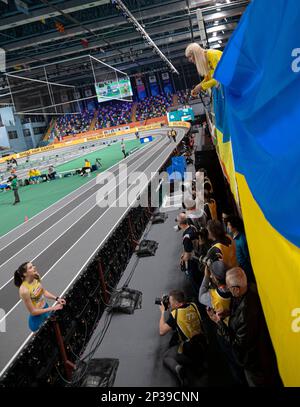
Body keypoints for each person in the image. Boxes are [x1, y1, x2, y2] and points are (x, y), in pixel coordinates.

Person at [207, 267, 280, 387]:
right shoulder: (251, 287)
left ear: (236, 289)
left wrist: (218, 322)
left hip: (253, 361)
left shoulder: (245, 315)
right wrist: (228, 313)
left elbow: (237, 344)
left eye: (229, 288)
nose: (228, 290)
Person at [159, 290, 206, 386]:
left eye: (171, 302)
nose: (170, 304)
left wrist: (163, 312)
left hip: (191, 349)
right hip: (203, 344)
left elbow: (162, 331)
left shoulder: (175, 314)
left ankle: (180, 370)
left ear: (177, 303)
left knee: (167, 357)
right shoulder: (193, 305)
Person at [14, 262, 65, 332]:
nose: (34, 267)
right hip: (37, 318)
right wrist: (53, 308)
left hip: (46, 309)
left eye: (33, 265)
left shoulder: (36, 277)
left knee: (55, 330)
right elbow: (33, 312)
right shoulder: (24, 290)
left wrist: (57, 298)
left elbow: (43, 291)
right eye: (30, 267)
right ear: (25, 274)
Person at [226, 216, 254, 282]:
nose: (228, 227)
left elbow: (247, 256)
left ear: (235, 227)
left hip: (246, 268)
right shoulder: (233, 236)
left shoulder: (242, 240)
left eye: (229, 225)